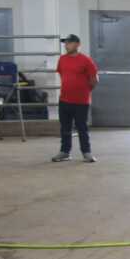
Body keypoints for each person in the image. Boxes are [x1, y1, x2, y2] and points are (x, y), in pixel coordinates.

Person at [51, 34, 99, 163]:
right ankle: (65, 152)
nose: (66, 45)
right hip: (65, 100)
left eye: (69, 43)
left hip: (81, 102)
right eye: (65, 43)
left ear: (77, 44)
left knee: (82, 127)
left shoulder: (86, 60)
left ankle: (86, 152)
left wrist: (85, 91)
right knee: (65, 128)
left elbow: (94, 80)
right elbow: (63, 75)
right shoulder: (62, 60)